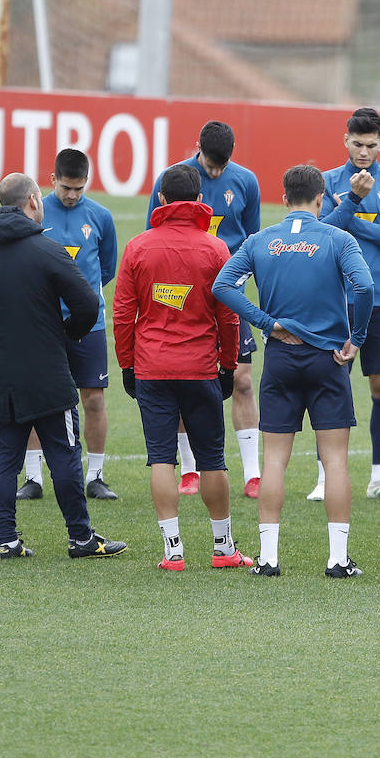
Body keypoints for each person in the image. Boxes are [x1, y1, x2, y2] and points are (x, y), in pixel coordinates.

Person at [213, 164, 374, 578]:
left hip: (281, 360)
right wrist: (356, 337)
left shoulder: (260, 240)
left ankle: (268, 559)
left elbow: (223, 286)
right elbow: (366, 287)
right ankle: (338, 560)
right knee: (335, 459)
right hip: (328, 360)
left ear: (283, 199)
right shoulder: (339, 238)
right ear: (322, 199)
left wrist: (266, 323)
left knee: (274, 461)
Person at [0, 173, 126, 560]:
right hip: (48, 372)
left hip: (0, 373)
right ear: (34, 200)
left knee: (4, 455)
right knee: (64, 453)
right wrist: (68, 332)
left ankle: (7, 541)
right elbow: (87, 302)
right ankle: (81, 539)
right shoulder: (47, 250)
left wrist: (3, 331)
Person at [113, 164, 252, 571]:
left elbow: (123, 314)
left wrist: (127, 366)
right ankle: (223, 548)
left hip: (152, 368)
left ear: (160, 199)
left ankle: (173, 551)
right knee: (212, 460)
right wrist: (228, 365)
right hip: (200, 368)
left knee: (161, 458)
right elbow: (229, 317)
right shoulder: (215, 249)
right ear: (200, 201)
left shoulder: (138, 247)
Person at [146, 121, 263, 498]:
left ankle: (253, 472)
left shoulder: (245, 181)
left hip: (228, 292)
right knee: (184, 375)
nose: (215, 173)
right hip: (183, 290)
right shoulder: (174, 179)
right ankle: (190, 469)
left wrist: (245, 286)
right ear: (197, 148)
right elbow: (155, 232)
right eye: (210, 166)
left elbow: (252, 240)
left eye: (221, 167)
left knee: (242, 379)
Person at [310, 107, 380, 503]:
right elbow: (322, 230)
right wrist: (352, 203)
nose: (364, 152)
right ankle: (323, 478)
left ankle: (379, 477)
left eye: (371, 145)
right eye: (358, 144)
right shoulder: (327, 181)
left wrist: (352, 215)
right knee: (330, 384)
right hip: (336, 298)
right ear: (345, 141)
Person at [16, 149, 119, 502]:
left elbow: (106, 269)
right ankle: (33, 477)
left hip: (88, 324)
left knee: (93, 399)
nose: (72, 194)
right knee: (38, 398)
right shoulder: (35, 213)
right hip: (44, 322)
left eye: (79, 187)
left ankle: (96, 475)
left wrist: (80, 299)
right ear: (52, 179)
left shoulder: (101, 217)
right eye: (66, 187)